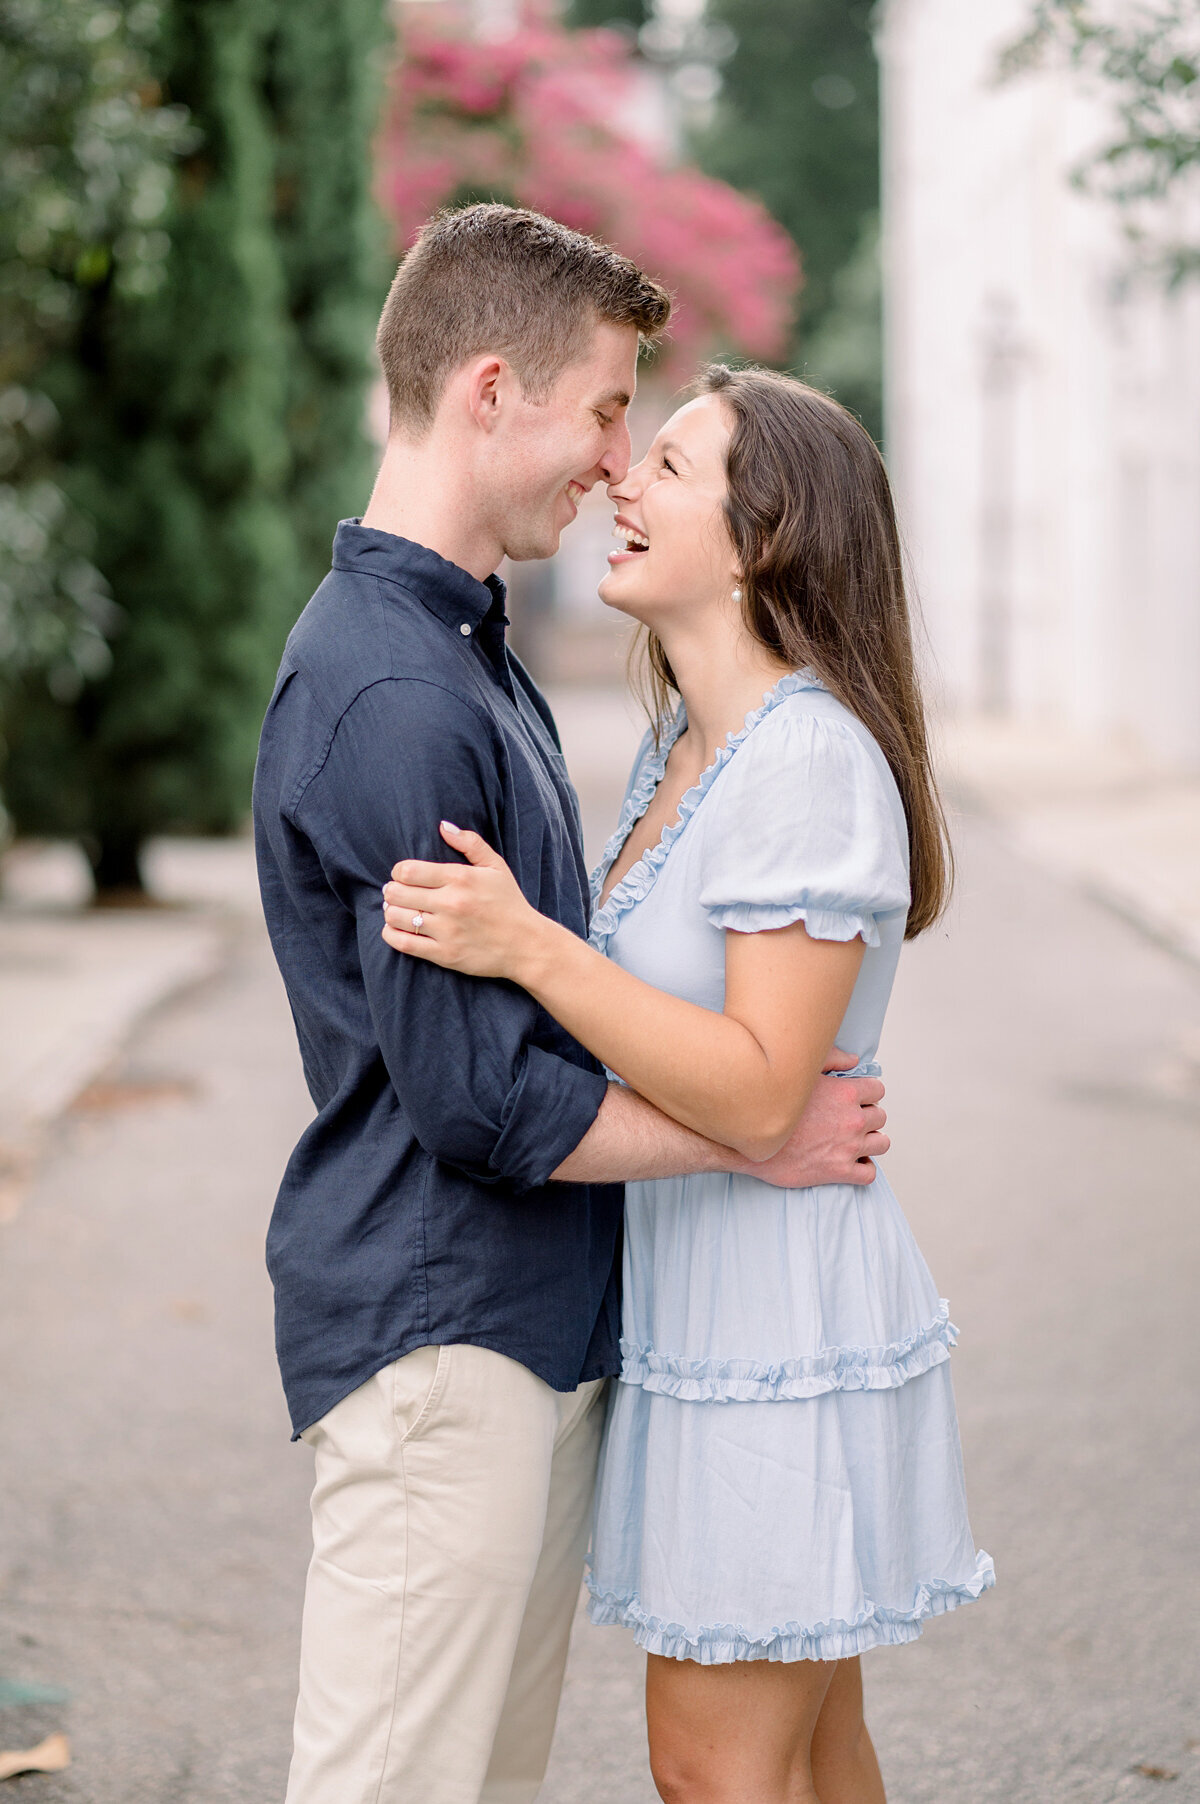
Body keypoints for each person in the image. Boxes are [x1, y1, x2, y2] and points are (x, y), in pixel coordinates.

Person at [252, 207, 890, 1804]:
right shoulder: (403, 690)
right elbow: (483, 1100)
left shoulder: (469, 659)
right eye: (610, 410)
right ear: (489, 393)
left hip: (522, 1337)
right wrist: (755, 1138)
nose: (615, 460)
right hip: (441, 1333)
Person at [381, 365, 996, 1804]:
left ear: (764, 534)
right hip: (707, 1293)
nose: (617, 483)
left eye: (667, 465)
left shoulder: (810, 761)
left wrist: (531, 952)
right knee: (806, 1752)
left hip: (776, 1314)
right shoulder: (688, 749)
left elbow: (764, 1089)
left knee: (715, 1766)